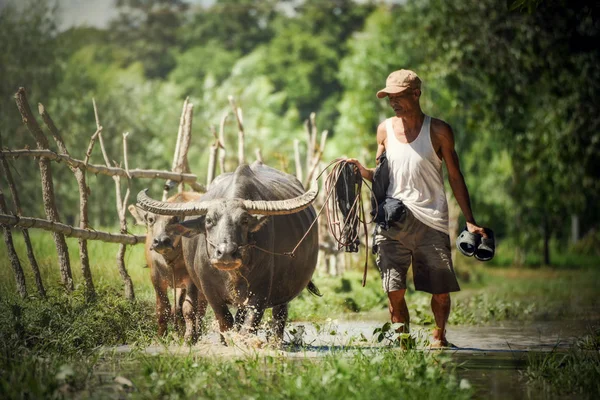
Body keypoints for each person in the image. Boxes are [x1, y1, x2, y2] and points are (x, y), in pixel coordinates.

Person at [346, 69, 486, 348]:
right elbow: (383, 174)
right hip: (393, 220)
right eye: (389, 97)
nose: (393, 102)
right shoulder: (384, 130)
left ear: (416, 94)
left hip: (430, 221)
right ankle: (404, 346)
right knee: (394, 290)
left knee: (441, 290)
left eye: (399, 96)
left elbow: (456, 177)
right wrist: (363, 171)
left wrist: (470, 221)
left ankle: (439, 337)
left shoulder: (439, 130)